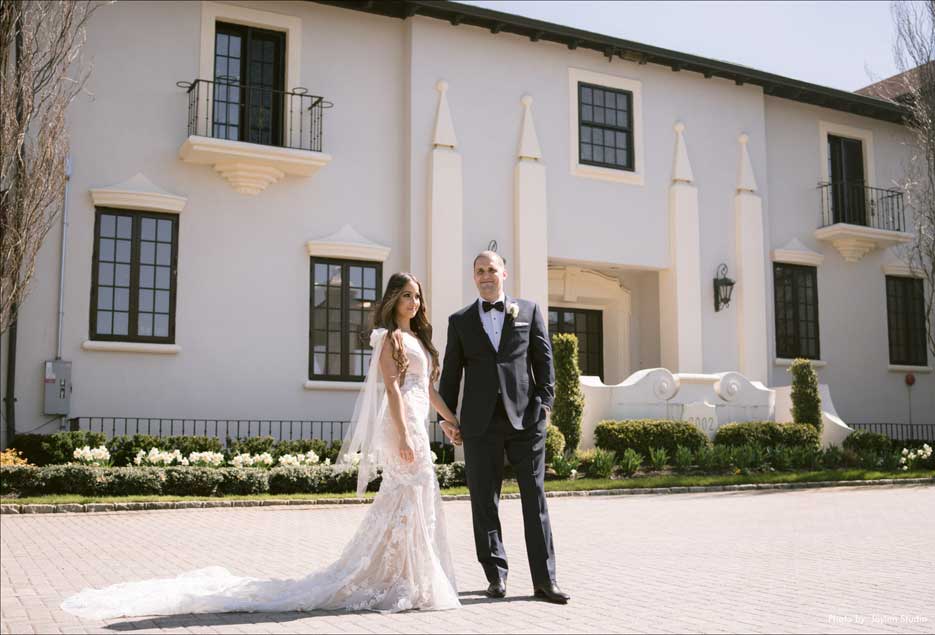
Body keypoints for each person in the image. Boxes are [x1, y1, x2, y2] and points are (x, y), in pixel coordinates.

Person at [60, 272, 463, 619]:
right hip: (402, 427)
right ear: (393, 299)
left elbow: (426, 389)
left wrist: (448, 419)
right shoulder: (390, 338)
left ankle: (408, 575)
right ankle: (397, 578)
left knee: (415, 497)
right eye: (407, 295)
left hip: (417, 420)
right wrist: (408, 434)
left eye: (417, 296)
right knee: (404, 495)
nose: (414, 302)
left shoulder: (419, 341)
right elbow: (392, 389)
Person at [438, 251, 570, 604]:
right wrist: (446, 418)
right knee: (484, 501)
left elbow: (544, 364)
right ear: (474, 277)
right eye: (479, 271)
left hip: (526, 422)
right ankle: (496, 576)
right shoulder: (460, 320)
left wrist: (544, 406)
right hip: (479, 425)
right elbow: (451, 374)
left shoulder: (528, 311)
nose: (485, 276)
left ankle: (545, 582)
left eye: (491, 270)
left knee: (535, 500)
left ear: (504, 273)